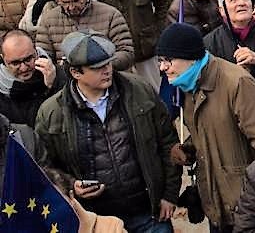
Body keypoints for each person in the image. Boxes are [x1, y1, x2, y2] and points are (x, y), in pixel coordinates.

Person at [36, 32, 180, 233]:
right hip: (98, 221)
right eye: (98, 68)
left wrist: (170, 195)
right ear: (76, 73)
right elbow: (45, 166)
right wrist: (71, 184)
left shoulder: (139, 90)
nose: (107, 71)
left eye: (108, 64)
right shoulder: (52, 112)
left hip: (149, 213)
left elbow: (168, 144)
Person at [157, 22, 255, 233]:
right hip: (217, 207)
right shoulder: (188, 85)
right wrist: (189, 148)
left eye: (168, 60)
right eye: (161, 61)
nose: (162, 68)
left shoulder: (237, 84)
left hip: (247, 210)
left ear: (190, 57)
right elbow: (213, 131)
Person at [36, 0, 135, 71]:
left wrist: (100, 65)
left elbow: (126, 53)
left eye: (76, 1)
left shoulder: (111, 15)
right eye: (65, 2)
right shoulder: (48, 20)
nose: (71, 7)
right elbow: (43, 56)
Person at [0, 28, 62, 126]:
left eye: (28, 59)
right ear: (3, 59)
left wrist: (54, 85)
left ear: (36, 52)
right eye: (15, 63)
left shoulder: (58, 74)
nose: (24, 68)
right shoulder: (2, 95)